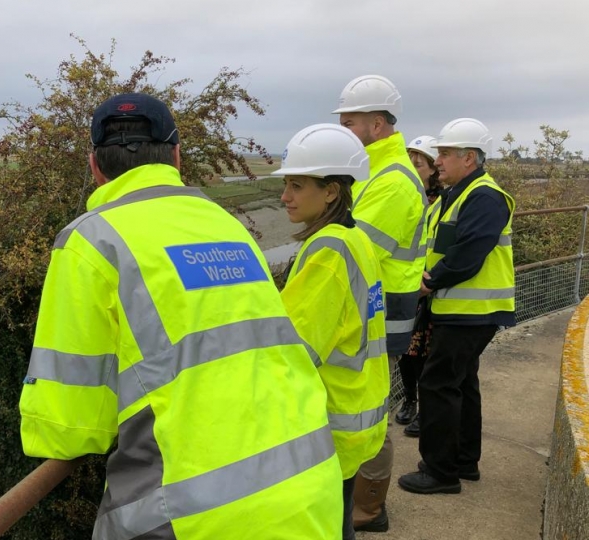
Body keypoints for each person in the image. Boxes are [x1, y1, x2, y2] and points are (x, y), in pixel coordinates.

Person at [18, 93, 344, 538]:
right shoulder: (225, 224)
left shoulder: (90, 241)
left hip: (194, 516)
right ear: (175, 156)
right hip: (309, 488)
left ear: (94, 166)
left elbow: (67, 428)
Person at [274, 124, 389, 540]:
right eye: (286, 184)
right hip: (360, 406)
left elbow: (291, 350)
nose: (285, 196)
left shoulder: (327, 252)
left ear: (331, 191)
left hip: (329, 418)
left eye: (297, 185)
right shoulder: (355, 238)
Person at [398, 118, 515, 495]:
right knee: (462, 383)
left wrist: (428, 282)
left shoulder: (483, 195)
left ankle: (440, 471)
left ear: (469, 158)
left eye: (446, 153)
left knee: (438, 383)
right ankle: (463, 462)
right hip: (461, 311)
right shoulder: (456, 195)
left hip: (470, 313)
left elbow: (468, 254)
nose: (439, 159)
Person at [333, 74, 427, 532]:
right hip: (378, 305)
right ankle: (365, 503)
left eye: (349, 122)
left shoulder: (391, 180)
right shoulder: (380, 170)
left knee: (371, 413)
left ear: (376, 124)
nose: (343, 130)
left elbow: (353, 248)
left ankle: (368, 508)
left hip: (380, 308)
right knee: (368, 408)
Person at [396, 136, 443, 437]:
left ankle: (423, 405)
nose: (413, 164)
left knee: (425, 351)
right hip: (408, 283)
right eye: (410, 158)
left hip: (429, 286)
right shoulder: (405, 196)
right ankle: (409, 398)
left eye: (420, 161)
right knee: (407, 350)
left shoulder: (440, 202)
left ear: (432, 169)